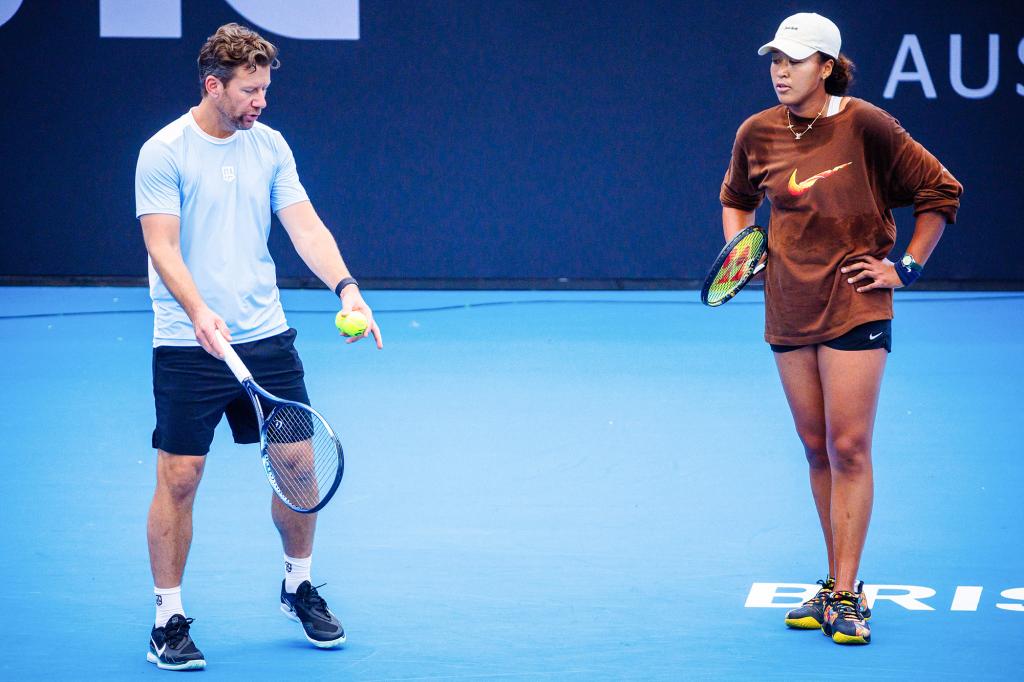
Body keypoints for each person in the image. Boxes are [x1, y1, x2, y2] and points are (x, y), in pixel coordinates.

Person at [135, 23, 383, 670]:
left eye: (265, 88)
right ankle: (168, 617)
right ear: (213, 85)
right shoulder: (163, 151)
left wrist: (347, 289)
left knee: (298, 465)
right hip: (188, 345)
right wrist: (199, 313)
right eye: (249, 89)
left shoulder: (270, 146)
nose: (260, 100)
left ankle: (297, 584)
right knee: (181, 477)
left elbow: (304, 225)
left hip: (266, 336)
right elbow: (161, 246)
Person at [719, 13, 962, 645]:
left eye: (795, 60)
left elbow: (941, 190)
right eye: (775, 59)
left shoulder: (867, 125)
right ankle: (833, 582)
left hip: (855, 300)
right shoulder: (757, 132)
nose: (780, 70)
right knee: (815, 446)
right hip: (788, 305)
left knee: (849, 447)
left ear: (826, 65)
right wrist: (743, 252)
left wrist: (904, 267)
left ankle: (849, 594)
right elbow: (736, 198)